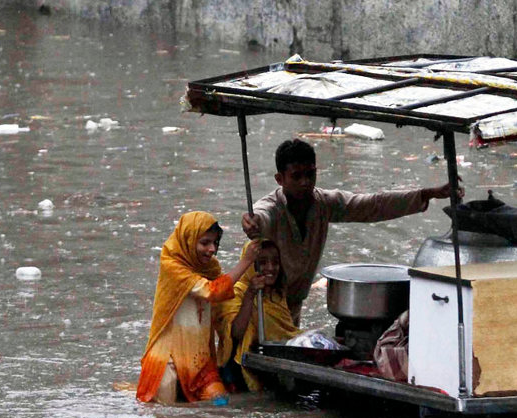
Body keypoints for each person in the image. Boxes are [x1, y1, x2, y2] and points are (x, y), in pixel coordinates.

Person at [241, 138, 464, 325]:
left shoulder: (323, 203)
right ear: (280, 179)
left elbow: (372, 205)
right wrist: (252, 222)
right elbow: (261, 216)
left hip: (294, 303)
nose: (305, 182)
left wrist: (428, 193)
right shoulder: (272, 208)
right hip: (260, 303)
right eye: (296, 176)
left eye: (310, 174)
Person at [136, 211, 261, 404]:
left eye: (215, 244)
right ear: (188, 239)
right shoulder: (172, 266)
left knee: (220, 403)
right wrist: (246, 261)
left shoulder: (210, 268)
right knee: (164, 411)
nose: (211, 249)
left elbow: (221, 308)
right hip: (166, 358)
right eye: (204, 243)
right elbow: (212, 291)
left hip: (199, 360)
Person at [219, 239, 305, 391]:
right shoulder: (236, 291)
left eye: (275, 262)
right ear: (251, 264)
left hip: (275, 359)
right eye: (263, 262)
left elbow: (286, 332)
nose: (270, 268)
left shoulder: (276, 294)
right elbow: (235, 334)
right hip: (241, 366)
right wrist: (250, 294)